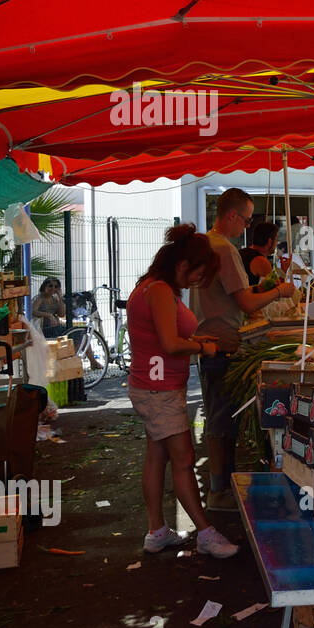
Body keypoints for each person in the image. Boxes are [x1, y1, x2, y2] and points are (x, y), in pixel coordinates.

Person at [127, 225, 238, 558]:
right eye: (197, 273)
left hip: (153, 386)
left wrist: (201, 344)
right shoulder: (159, 290)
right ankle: (206, 533)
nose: (196, 281)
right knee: (184, 459)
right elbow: (170, 343)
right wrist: (204, 347)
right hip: (158, 390)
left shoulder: (151, 286)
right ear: (183, 263)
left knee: (158, 456)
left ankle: (157, 531)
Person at [192, 188, 297, 511]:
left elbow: (237, 293)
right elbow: (245, 302)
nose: (248, 227)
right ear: (232, 215)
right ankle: (219, 491)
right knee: (222, 423)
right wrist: (279, 291)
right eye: (247, 219)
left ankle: (223, 486)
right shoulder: (224, 248)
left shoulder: (208, 243)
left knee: (221, 421)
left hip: (213, 339)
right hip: (221, 343)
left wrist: (260, 288)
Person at [239, 221, 278, 288]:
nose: (277, 243)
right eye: (276, 240)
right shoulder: (261, 261)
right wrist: (284, 271)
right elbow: (275, 290)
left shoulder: (241, 252)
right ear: (269, 241)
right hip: (248, 297)